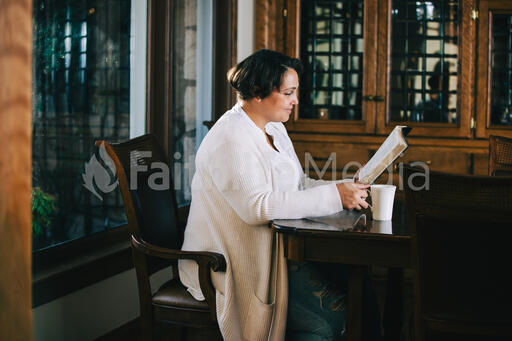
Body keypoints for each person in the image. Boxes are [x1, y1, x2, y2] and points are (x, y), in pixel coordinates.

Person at [178, 49, 376, 341]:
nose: (296, 101)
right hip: (230, 261)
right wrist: (335, 196)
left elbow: (298, 183)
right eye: (288, 93)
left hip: (279, 249)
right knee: (331, 320)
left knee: (359, 287)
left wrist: (345, 186)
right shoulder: (229, 139)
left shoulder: (274, 128)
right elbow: (257, 206)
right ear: (258, 92)